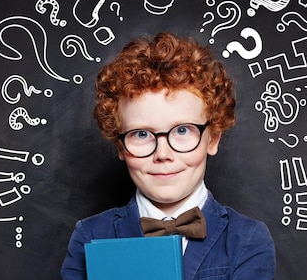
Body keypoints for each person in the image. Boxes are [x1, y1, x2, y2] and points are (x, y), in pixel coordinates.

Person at [61, 31, 276, 279]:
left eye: (183, 130)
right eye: (141, 134)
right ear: (120, 147)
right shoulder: (89, 236)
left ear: (213, 137)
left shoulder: (247, 240)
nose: (163, 154)